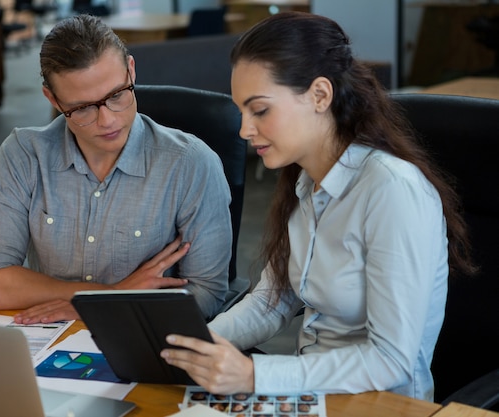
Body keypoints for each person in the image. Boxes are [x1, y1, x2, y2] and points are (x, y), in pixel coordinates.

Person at [160, 11, 476, 401]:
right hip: (312, 395)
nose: (244, 129)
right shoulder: (306, 182)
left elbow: (391, 360)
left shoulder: (392, 190)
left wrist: (256, 375)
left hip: (381, 405)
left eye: (259, 110)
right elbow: (271, 301)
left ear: (320, 95)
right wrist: (198, 345)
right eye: (242, 111)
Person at [0, 14, 232, 323]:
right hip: (52, 338)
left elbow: (207, 295)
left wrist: (92, 308)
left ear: (131, 70)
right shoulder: (24, 155)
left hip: (144, 338)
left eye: (117, 95)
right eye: (83, 108)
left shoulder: (191, 163)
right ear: (53, 99)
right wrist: (113, 294)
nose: (108, 121)